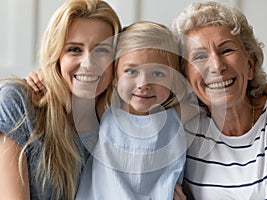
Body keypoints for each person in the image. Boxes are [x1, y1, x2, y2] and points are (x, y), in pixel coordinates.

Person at [172, 1, 267, 199]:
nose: (216, 65)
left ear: (250, 65)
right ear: (186, 76)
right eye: (199, 56)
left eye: (226, 51)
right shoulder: (184, 131)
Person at [0, 0, 121, 199]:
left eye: (102, 50)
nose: (88, 63)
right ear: (55, 55)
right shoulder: (17, 103)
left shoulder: (115, 125)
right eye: (74, 49)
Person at [75, 21, 197, 200]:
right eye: (131, 72)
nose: (144, 85)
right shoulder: (104, 110)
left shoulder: (180, 114)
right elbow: (65, 93)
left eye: (158, 74)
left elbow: (213, 97)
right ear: (115, 77)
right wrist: (40, 77)